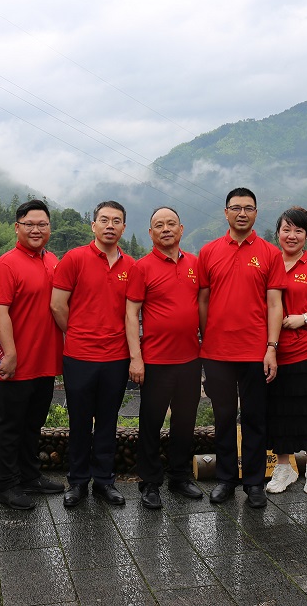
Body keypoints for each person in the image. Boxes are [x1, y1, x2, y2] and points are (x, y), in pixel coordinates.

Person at [198, 188, 286, 509]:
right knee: (223, 416)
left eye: (248, 208)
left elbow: (275, 304)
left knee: (254, 417)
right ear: (226, 213)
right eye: (236, 208)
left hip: (255, 350)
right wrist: (207, 337)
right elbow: (203, 300)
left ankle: (254, 483)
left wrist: (271, 347)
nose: (242, 213)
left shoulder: (270, 253)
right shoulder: (208, 251)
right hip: (217, 352)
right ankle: (225, 480)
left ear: (256, 213)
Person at [51, 201, 135, 507]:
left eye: (116, 221)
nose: (110, 225)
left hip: (116, 356)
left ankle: (104, 481)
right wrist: (77, 332)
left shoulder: (131, 266)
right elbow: (57, 305)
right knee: (80, 421)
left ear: (124, 227)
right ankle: (77, 482)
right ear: (93, 225)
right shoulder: (74, 258)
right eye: (104, 220)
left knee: (108, 421)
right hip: (79, 356)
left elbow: (132, 313)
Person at [0, 199, 65, 510]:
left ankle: (30, 476)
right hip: (17, 362)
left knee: (33, 423)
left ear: (49, 228)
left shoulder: (52, 261)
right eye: (29, 224)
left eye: (42, 224)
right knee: (10, 425)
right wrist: (9, 353)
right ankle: (7, 485)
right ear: (17, 227)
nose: (36, 229)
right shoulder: (6, 264)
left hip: (46, 359)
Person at [126, 207, 204, 509]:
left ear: (181, 229)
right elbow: (131, 314)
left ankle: (180, 477)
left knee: (185, 421)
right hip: (156, 360)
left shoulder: (195, 264)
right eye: (159, 225)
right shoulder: (141, 267)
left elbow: (203, 305)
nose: (166, 229)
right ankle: (149, 482)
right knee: (151, 422)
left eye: (171, 224)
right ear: (151, 233)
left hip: (190, 358)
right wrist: (136, 358)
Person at [266, 207, 307, 496]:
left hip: (303, 349)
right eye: (286, 229)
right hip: (270, 350)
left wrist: (303, 318)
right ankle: (284, 468)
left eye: (298, 231)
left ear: (306, 235)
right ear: (278, 233)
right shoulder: (269, 264)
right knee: (277, 411)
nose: (291, 236)